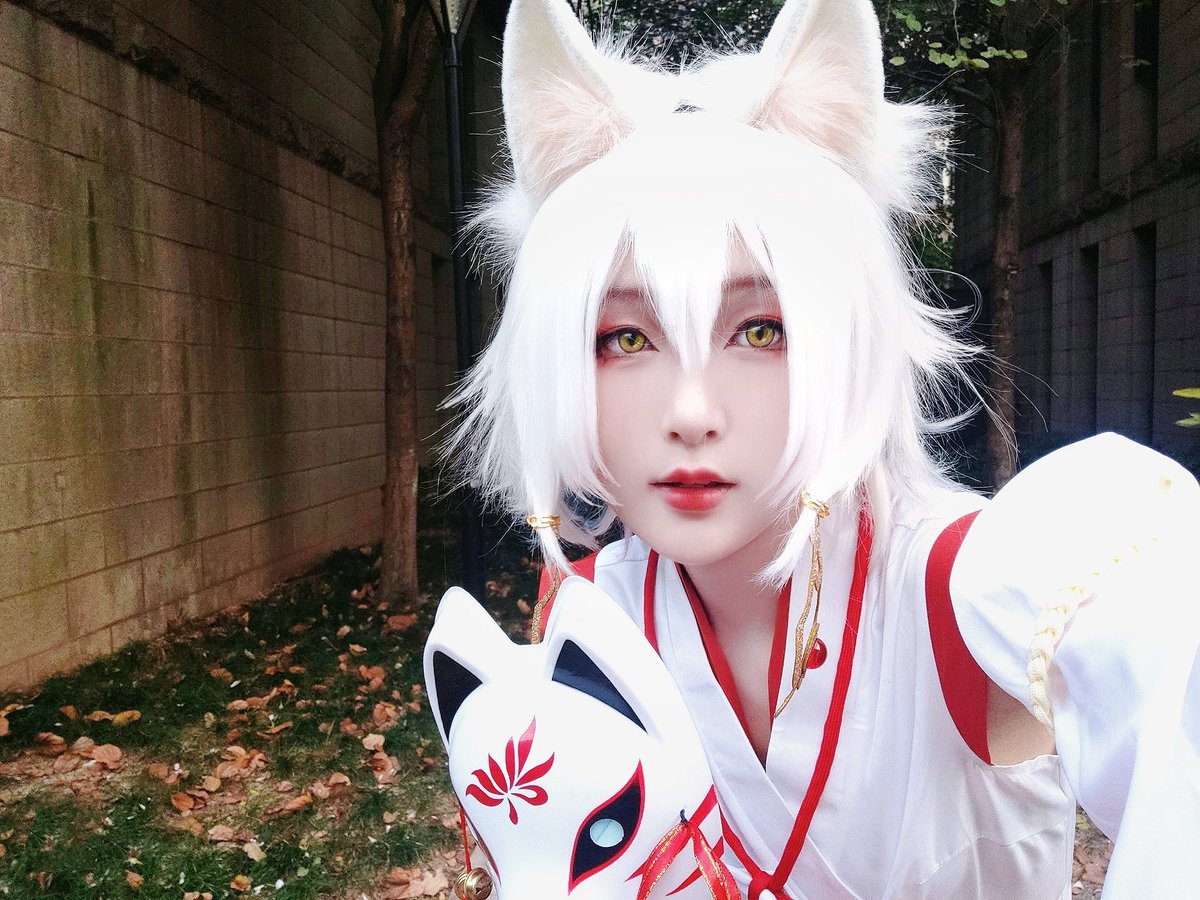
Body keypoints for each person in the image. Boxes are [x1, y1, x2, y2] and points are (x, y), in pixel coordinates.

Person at [442, 0, 1200, 897]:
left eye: (760, 330)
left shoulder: (960, 585)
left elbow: (1156, 621)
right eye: (627, 339)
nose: (691, 412)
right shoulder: (597, 617)